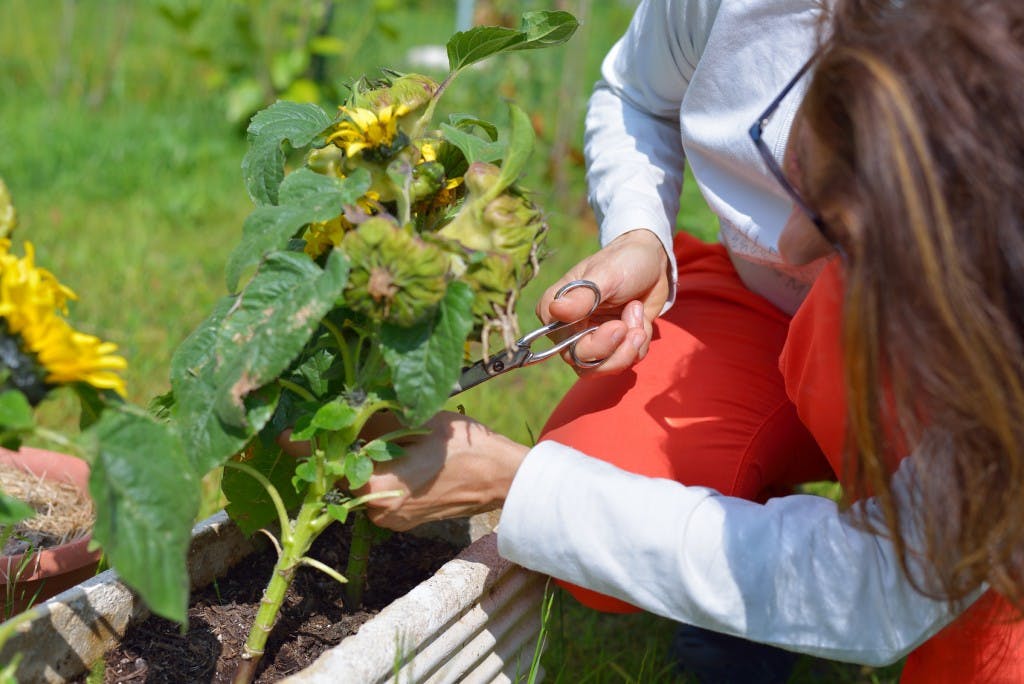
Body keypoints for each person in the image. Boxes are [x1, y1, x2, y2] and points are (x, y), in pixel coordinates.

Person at [353, 0, 1024, 680]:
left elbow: (874, 590)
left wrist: (517, 483)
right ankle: (752, 574)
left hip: (950, 377)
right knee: (601, 490)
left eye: (837, 226)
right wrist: (640, 230)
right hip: (789, 325)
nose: (788, 245)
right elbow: (637, 94)